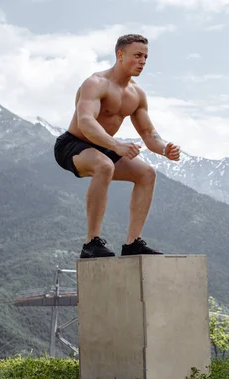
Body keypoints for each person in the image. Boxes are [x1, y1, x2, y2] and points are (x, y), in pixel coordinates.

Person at [54, 33, 181, 258]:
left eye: (146, 57)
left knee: (147, 173)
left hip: (103, 147)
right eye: (137, 55)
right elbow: (85, 122)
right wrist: (115, 144)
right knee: (104, 165)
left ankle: (132, 244)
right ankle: (91, 243)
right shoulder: (96, 83)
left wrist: (164, 149)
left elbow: (148, 133)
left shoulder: (137, 94)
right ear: (120, 55)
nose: (143, 61)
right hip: (72, 144)